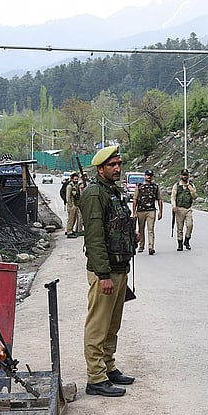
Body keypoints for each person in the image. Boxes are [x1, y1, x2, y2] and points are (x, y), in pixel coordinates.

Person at [79, 145, 137, 397]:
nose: (117, 168)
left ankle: (108, 367)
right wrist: (103, 275)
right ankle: (95, 378)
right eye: (112, 165)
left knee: (112, 325)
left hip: (119, 268)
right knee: (98, 326)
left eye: (119, 164)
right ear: (100, 168)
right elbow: (94, 238)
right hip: (106, 272)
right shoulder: (94, 194)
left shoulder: (113, 191)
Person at [133, 169, 164, 255]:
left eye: (150, 175)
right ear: (145, 176)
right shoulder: (139, 186)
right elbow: (135, 199)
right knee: (141, 229)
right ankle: (141, 245)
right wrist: (134, 212)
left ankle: (151, 247)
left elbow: (159, 199)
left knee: (151, 229)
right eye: (147, 175)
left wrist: (160, 212)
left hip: (151, 210)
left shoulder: (155, 187)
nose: (149, 177)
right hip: (141, 211)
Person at [170, 168, 199, 251]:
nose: (184, 176)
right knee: (180, 228)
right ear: (181, 176)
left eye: (186, 175)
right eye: (183, 175)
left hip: (188, 208)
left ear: (188, 176)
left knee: (190, 225)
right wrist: (174, 206)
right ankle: (180, 244)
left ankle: (187, 240)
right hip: (179, 209)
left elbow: (195, 197)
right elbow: (173, 197)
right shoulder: (176, 185)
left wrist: (191, 190)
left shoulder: (191, 185)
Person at [64, 171, 85, 237]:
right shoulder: (69, 186)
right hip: (72, 205)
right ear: (72, 179)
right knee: (71, 219)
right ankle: (69, 231)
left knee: (74, 219)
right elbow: (68, 197)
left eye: (77, 179)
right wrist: (71, 206)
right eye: (75, 179)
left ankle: (70, 230)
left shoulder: (75, 186)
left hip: (75, 205)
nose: (76, 180)